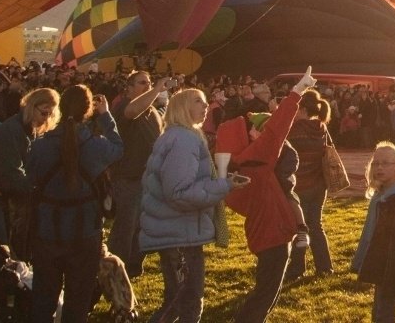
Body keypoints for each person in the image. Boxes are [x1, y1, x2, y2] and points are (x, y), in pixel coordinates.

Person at [215, 68, 317, 323]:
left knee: (266, 289)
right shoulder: (256, 161)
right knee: (265, 293)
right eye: (254, 128)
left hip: (263, 231)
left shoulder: (240, 169)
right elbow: (277, 129)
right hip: (273, 233)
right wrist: (297, 92)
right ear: (248, 136)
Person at [25, 84, 124, 323]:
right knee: (78, 299)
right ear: (87, 110)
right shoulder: (96, 145)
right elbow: (119, 149)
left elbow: (31, 177)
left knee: (43, 297)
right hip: (84, 230)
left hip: (48, 228)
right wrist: (107, 116)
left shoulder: (41, 145)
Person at [140, 87, 237, 323]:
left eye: (205, 102)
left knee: (176, 300)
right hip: (180, 234)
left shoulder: (177, 136)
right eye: (198, 101)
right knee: (187, 302)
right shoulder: (184, 140)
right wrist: (222, 186)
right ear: (182, 107)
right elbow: (179, 193)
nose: (205, 107)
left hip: (177, 231)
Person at [0, 87, 58, 248]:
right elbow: (12, 172)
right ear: (31, 106)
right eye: (44, 113)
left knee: (2, 246)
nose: (47, 118)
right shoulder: (13, 130)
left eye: (51, 114)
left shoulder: (28, 128)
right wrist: (37, 191)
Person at [109, 70, 169, 278]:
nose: (147, 86)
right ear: (130, 87)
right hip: (129, 178)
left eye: (149, 82)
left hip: (148, 178)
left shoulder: (152, 111)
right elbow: (132, 111)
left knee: (143, 226)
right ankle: (115, 269)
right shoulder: (124, 105)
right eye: (142, 83)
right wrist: (157, 88)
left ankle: (133, 266)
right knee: (126, 227)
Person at [354, 142, 395, 323]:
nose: (379, 167)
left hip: (390, 262)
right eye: (375, 163)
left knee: (384, 310)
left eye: (385, 163)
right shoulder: (383, 191)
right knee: (380, 306)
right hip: (382, 259)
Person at [286, 90, 334, 281]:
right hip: (318, 184)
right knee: (316, 225)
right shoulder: (321, 127)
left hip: (300, 184)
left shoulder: (296, 129)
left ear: (303, 109)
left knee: (299, 226)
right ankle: (324, 266)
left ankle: (297, 268)